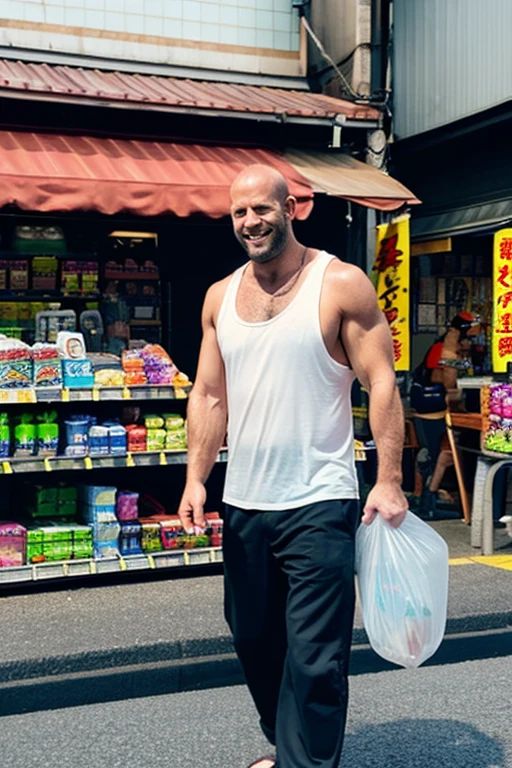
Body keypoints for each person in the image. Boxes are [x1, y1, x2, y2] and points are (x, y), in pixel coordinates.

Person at [177, 164, 407, 768]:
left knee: (315, 658)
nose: (251, 221)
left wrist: (388, 480)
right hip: (246, 502)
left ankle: (304, 763)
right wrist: (196, 478)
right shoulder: (220, 297)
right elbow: (208, 395)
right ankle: (288, 748)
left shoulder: (340, 284)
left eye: (263, 209)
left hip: (320, 500)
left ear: (292, 209)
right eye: (239, 212)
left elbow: (380, 381)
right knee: (254, 640)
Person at [413, 312, 480, 507]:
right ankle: (427, 494)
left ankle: (431, 492)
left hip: (442, 408)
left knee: (446, 451)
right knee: (437, 452)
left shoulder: (456, 347)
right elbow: (441, 379)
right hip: (431, 407)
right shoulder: (443, 346)